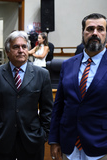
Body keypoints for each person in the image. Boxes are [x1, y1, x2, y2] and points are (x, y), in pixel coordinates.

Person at [0, 31, 53, 160]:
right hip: (1, 138)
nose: (21, 50)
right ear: (7, 51)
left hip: (32, 138)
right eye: (16, 47)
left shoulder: (42, 74)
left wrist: (44, 134)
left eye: (24, 46)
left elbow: (47, 109)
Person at [49, 13, 107, 160]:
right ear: (83, 33)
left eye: (100, 29)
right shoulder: (68, 65)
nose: (95, 33)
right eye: (90, 29)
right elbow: (59, 106)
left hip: (101, 146)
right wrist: (54, 140)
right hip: (69, 145)